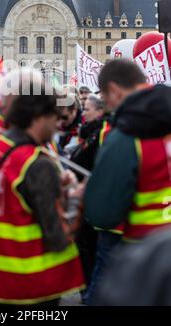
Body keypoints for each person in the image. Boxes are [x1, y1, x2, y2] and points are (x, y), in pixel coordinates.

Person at [0, 74, 85, 306]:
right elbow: (58, 236)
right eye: (54, 117)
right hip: (32, 284)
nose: (57, 125)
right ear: (39, 116)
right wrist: (76, 199)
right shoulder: (38, 164)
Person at [84, 59, 171, 302]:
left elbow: (102, 213)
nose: (107, 105)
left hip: (142, 250)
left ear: (114, 90)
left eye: (105, 97)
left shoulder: (125, 134)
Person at [70, 94, 108, 298]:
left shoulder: (101, 133)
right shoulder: (89, 132)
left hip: (93, 203)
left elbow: (87, 161)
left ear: (100, 111)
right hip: (87, 202)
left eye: (88, 109)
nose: (83, 113)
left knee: (92, 251)